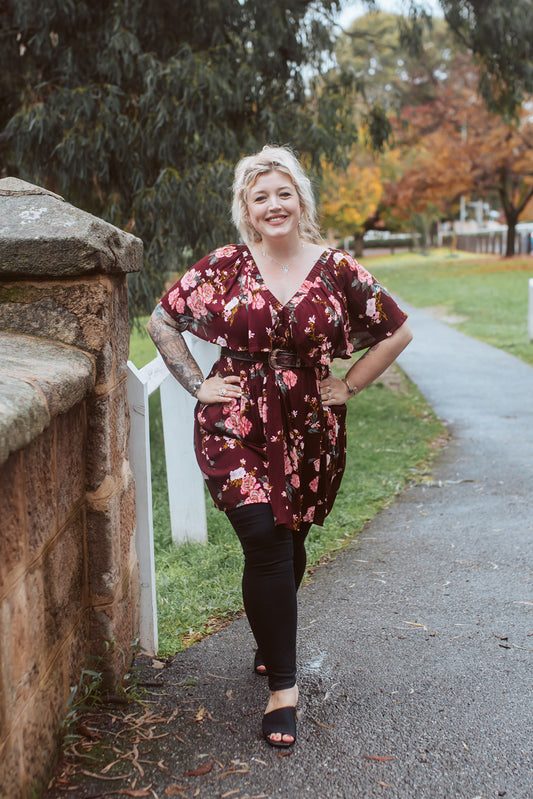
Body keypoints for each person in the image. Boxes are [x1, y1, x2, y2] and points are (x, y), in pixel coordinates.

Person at [147, 145, 412, 748]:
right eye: (259, 195)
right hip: (235, 422)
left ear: (300, 201)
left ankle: (270, 642)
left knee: (290, 538)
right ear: (247, 207)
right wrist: (198, 383)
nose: (273, 205)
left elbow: (398, 330)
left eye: (283, 193)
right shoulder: (224, 266)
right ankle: (284, 690)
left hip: (309, 427)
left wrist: (349, 383)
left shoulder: (337, 268)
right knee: (265, 536)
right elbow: (163, 321)